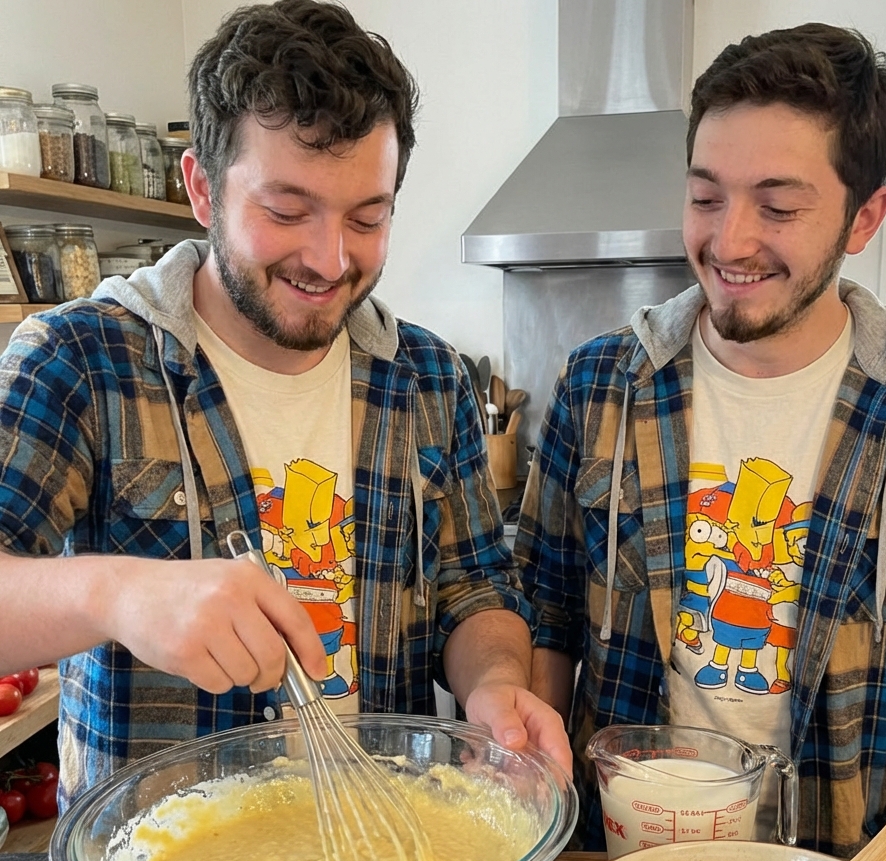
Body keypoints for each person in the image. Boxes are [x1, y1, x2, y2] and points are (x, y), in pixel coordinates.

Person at [0, 0, 570, 809]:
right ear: (202, 188)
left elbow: (474, 592)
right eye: (286, 210)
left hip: (390, 853)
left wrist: (496, 684)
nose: (330, 259)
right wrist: (118, 595)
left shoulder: (429, 380)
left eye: (367, 218)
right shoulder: (82, 361)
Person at [515, 23, 886, 861]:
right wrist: (546, 818)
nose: (730, 241)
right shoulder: (601, 382)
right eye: (706, 196)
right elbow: (546, 614)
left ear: (865, 218)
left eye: (779, 207)